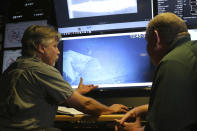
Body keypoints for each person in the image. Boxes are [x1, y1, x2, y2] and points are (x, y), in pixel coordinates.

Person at [0, 25, 129, 131]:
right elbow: (86, 105)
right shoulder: (43, 70)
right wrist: (111, 109)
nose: (58, 52)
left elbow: (34, 100)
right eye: (55, 46)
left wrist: (75, 93)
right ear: (41, 48)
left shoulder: (12, 68)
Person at [115, 12, 197, 131]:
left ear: (156, 37)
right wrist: (142, 109)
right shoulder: (190, 52)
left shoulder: (171, 63)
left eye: (147, 42)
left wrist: (134, 130)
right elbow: (184, 107)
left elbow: (166, 127)